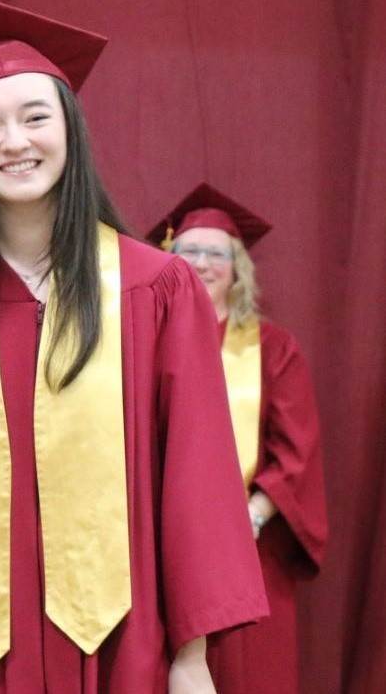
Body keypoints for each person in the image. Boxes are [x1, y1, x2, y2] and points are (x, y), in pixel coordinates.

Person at [0, 0, 268, 693]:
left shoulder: (155, 287)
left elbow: (196, 473)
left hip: (123, 635)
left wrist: (191, 655)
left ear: (70, 130)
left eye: (35, 117)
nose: (14, 142)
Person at [148, 184, 328, 694]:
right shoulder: (142, 340)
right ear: (166, 259)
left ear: (237, 267)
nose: (200, 263)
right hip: (156, 544)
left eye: (214, 252)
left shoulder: (273, 349)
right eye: (187, 250)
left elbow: (296, 452)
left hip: (249, 548)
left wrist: (245, 517)